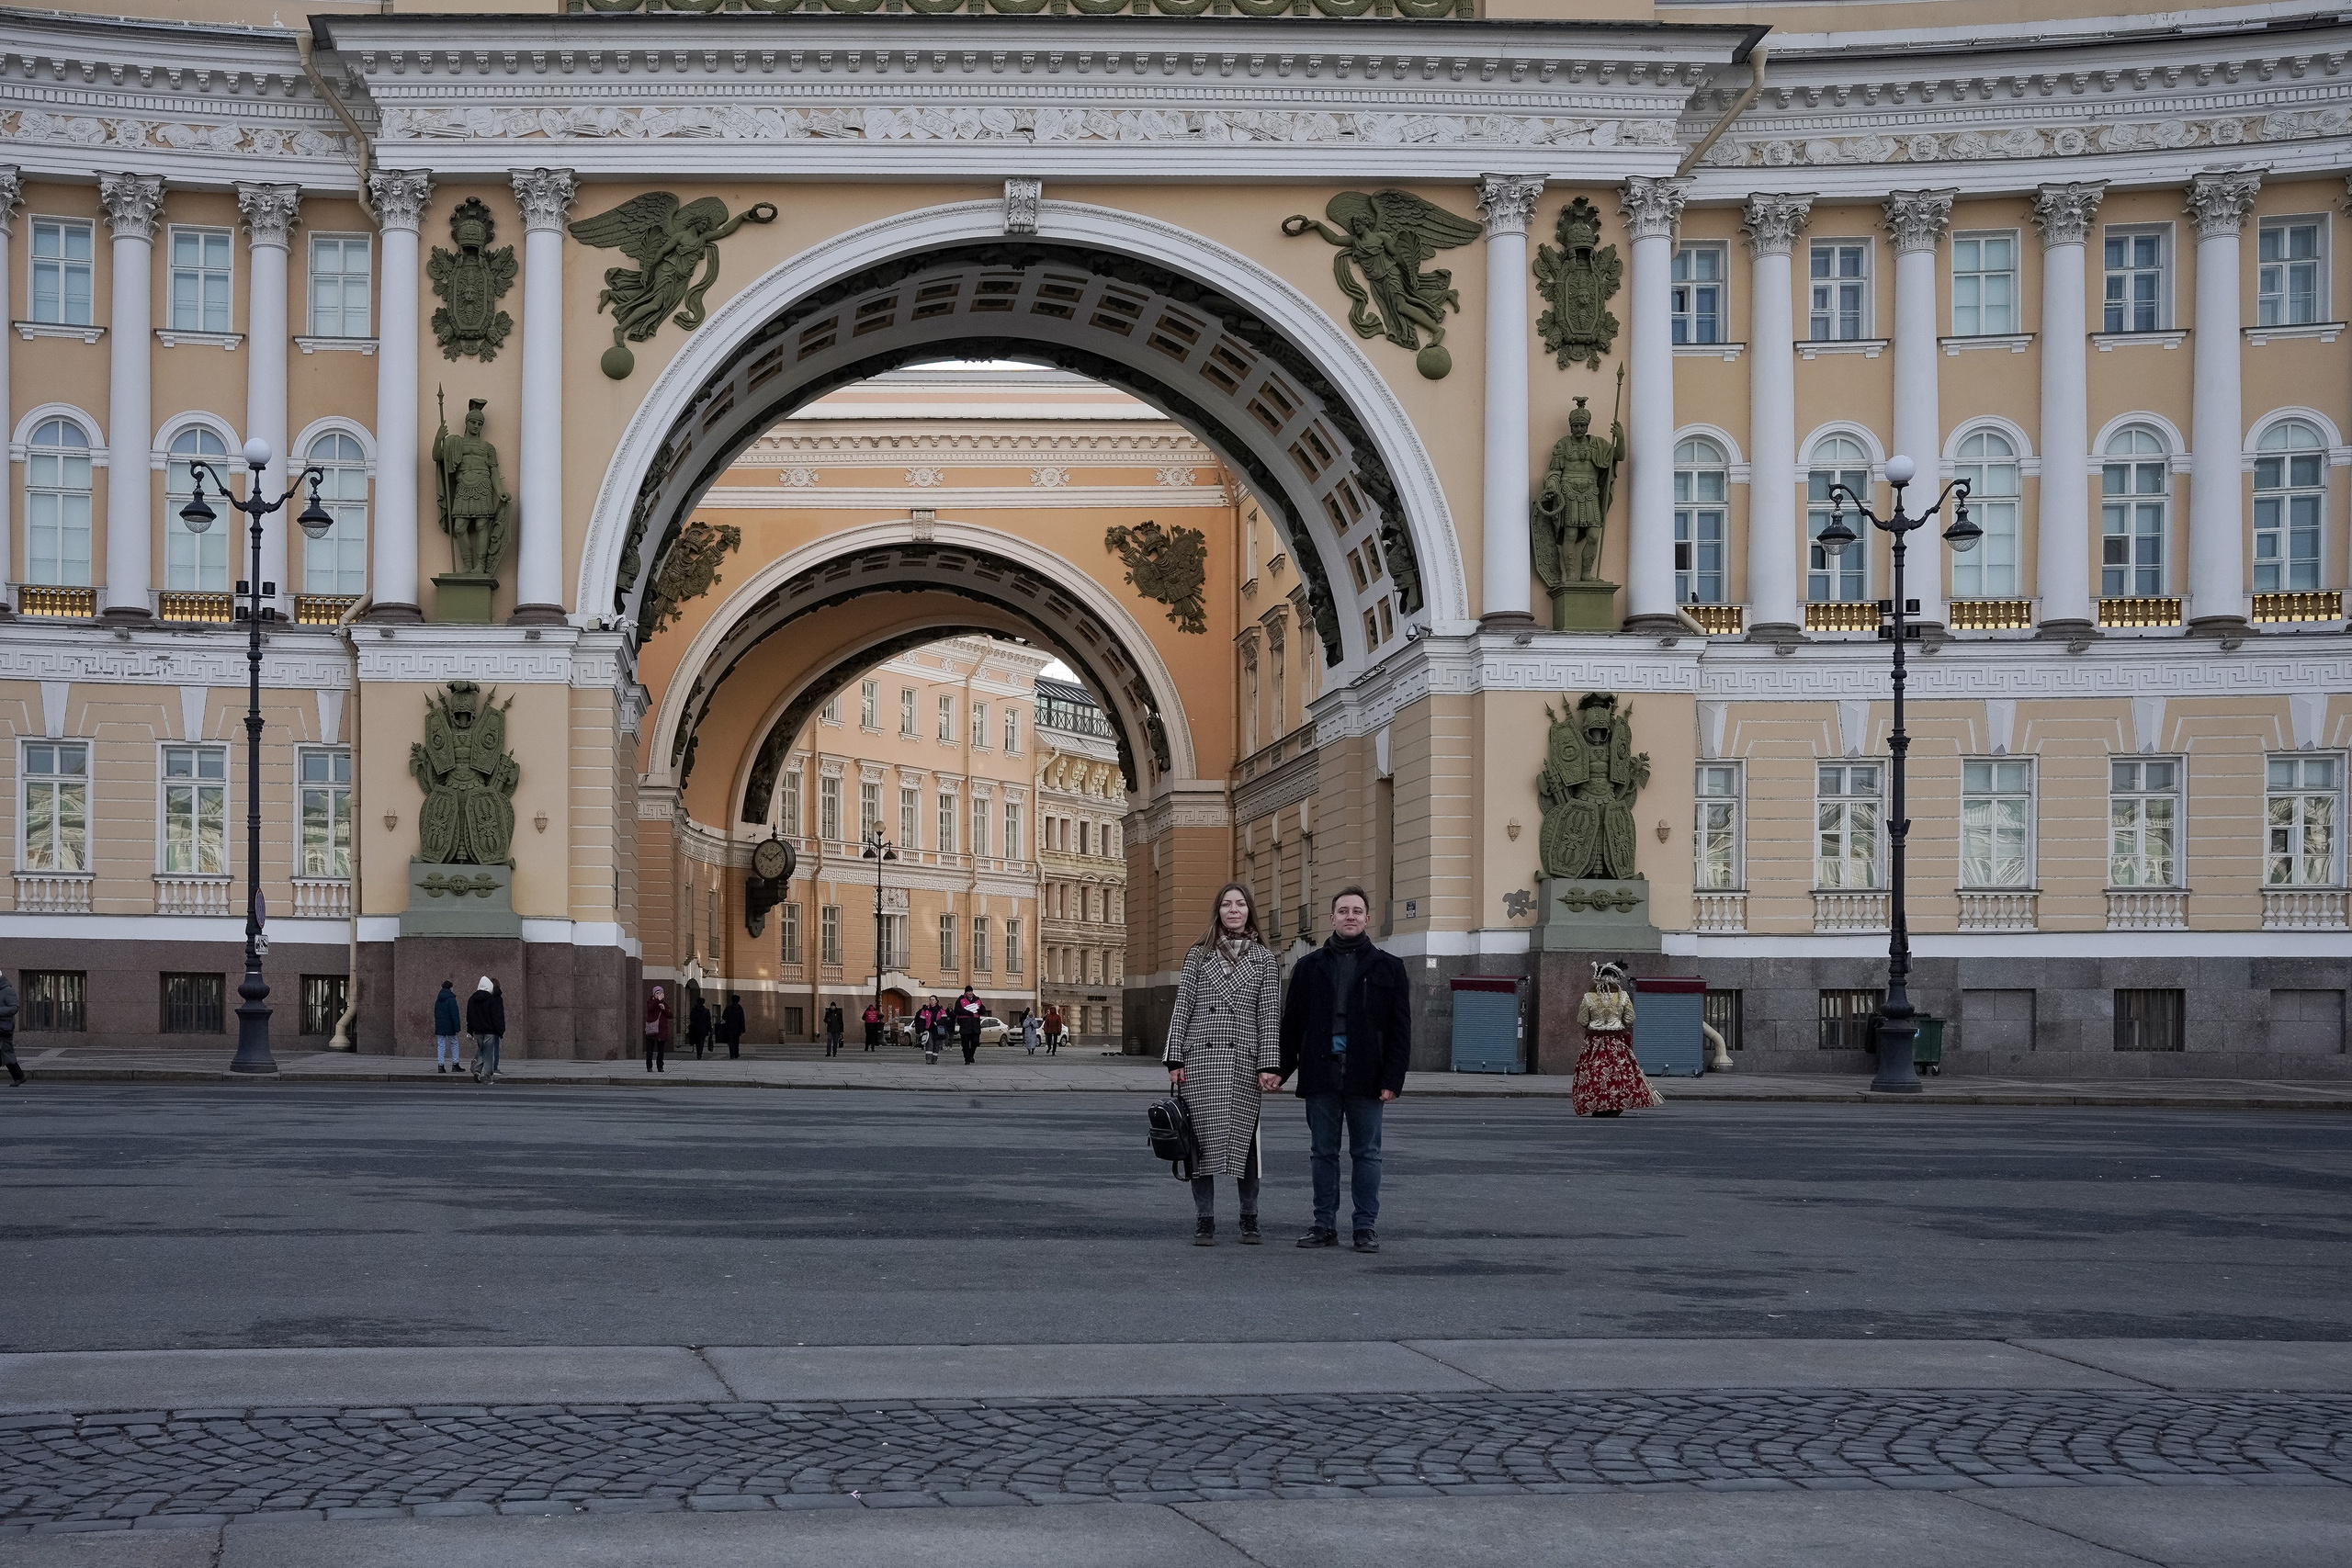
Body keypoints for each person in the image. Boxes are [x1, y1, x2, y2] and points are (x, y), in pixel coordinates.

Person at [1273, 886, 1410, 1253]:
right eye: (1343, 910)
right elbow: (1292, 1025)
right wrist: (1279, 1070)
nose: (1350, 916)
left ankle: (1365, 1227)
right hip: (1321, 1073)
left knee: (1367, 1154)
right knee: (1323, 1152)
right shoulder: (1308, 967)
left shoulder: (1389, 967)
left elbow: (1400, 1030)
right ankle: (1323, 1225)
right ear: (1332, 918)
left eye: (1357, 911)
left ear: (1367, 918)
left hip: (1368, 1075)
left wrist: (1393, 1079)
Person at [1165, 882, 1281, 1245]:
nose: (1234, 910)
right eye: (1227, 904)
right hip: (1201, 1059)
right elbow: (1181, 1006)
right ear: (1218, 911)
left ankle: (1249, 1217)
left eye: (1240, 904)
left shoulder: (1264, 959)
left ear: (1249, 911)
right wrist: (1174, 1057)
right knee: (1199, 1143)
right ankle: (1205, 1220)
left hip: (1243, 1061)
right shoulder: (1197, 955)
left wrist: (1269, 1064)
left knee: (1246, 1145)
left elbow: (1270, 1015)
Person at [1572, 962, 1664, 1117]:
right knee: (1619, 1073)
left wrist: (1596, 1022)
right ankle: (1617, 1103)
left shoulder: (1589, 997)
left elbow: (1582, 1020)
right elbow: (1630, 1018)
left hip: (1595, 1043)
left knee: (1594, 1073)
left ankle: (1597, 1103)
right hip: (1616, 1042)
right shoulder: (1623, 996)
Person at [467, 976, 507, 1083]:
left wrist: (470, 1031)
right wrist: (500, 1030)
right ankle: (488, 1078)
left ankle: (477, 1070)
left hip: (478, 1031)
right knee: (488, 1054)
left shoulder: (472, 999)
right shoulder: (491, 999)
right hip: (490, 1031)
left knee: (481, 1050)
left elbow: (469, 1016)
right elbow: (495, 1016)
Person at [432, 979, 463, 1075]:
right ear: (450, 988)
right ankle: (455, 1064)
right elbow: (454, 1015)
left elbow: (436, 1013)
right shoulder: (451, 999)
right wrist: (457, 1028)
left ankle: (440, 1065)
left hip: (440, 1025)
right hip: (450, 1025)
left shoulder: (438, 999)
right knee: (454, 1043)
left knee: (441, 1044)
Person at [0, 968, 21, 1088]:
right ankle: (19, 1077)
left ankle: (19, 1077)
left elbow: (14, 1007)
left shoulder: (7, 990)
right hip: (2, 1027)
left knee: (6, 1052)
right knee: (7, 1053)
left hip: (4, 1028)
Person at [643, 985, 671, 1074]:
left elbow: (670, 1015)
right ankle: (649, 1066)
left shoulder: (664, 1003)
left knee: (661, 1050)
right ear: (654, 994)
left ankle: (660, 1066)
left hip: (661, 1030)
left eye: (660, 993)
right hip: (652, 1030)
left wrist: (664, 1009)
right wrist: (657, 1001)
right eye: (657, 993)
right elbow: (650, 1008)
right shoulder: (650, 1002)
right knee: (650, 1050)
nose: (658, 995)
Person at [956, 986, 983, 1065]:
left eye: (971, 992)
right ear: (965, 993)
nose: (970, 993)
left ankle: (971, 1054)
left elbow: (983, 1009)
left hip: (975, 1025)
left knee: (975, 1041)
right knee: (965, 1043)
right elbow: (957, 1011)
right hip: (965, 1024)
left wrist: (980, 1010)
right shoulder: (960, 1000)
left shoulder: (977, 999)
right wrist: (966, 1012)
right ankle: (967, 1059)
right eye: (968, 992)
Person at [721, 994, 746, 1061]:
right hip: (737, 1028)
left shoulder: (728, 1008)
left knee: (730, 1041)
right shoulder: (740, 1009)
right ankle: (736, 1053)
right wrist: (743, 1029)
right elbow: (742, 1019)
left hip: (729, 1027)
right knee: (736, 1041)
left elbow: (724, 1017)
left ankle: (732, 1054)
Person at [687, 994, 713, 1060]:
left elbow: (691, 1018)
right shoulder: (706, 1011)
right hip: (703, 1028)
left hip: (695, 1028)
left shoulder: (693, 1010)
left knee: (696, 1041)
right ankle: (699, 1054)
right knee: (701, 1041)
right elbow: (708, 1021)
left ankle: (698, 1053)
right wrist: (710, 1030)